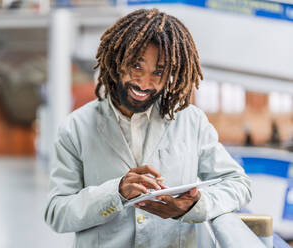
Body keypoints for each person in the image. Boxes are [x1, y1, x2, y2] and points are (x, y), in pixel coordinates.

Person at [45, 8, 251, 247]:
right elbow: (56, 212)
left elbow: (238, 183)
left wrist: (195, 206)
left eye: (159, 72)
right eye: (136, 66)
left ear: (171, 74)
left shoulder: (190, 121)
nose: (144, 83)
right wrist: (116, 193)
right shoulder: (76, 127)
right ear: (117, 62)